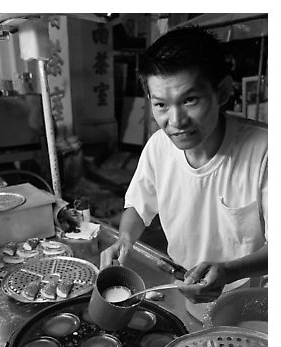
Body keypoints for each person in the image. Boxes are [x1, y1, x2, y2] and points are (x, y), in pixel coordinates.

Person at [100, 26, 267, 319]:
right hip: (184, 288)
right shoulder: (158, 148)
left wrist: (228, 271)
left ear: (223, 91)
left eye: (190, 100)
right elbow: (139, 207)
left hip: (248, 301)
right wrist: (124, 240)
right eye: (161, 105)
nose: (175, 121)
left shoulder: (265, 151)